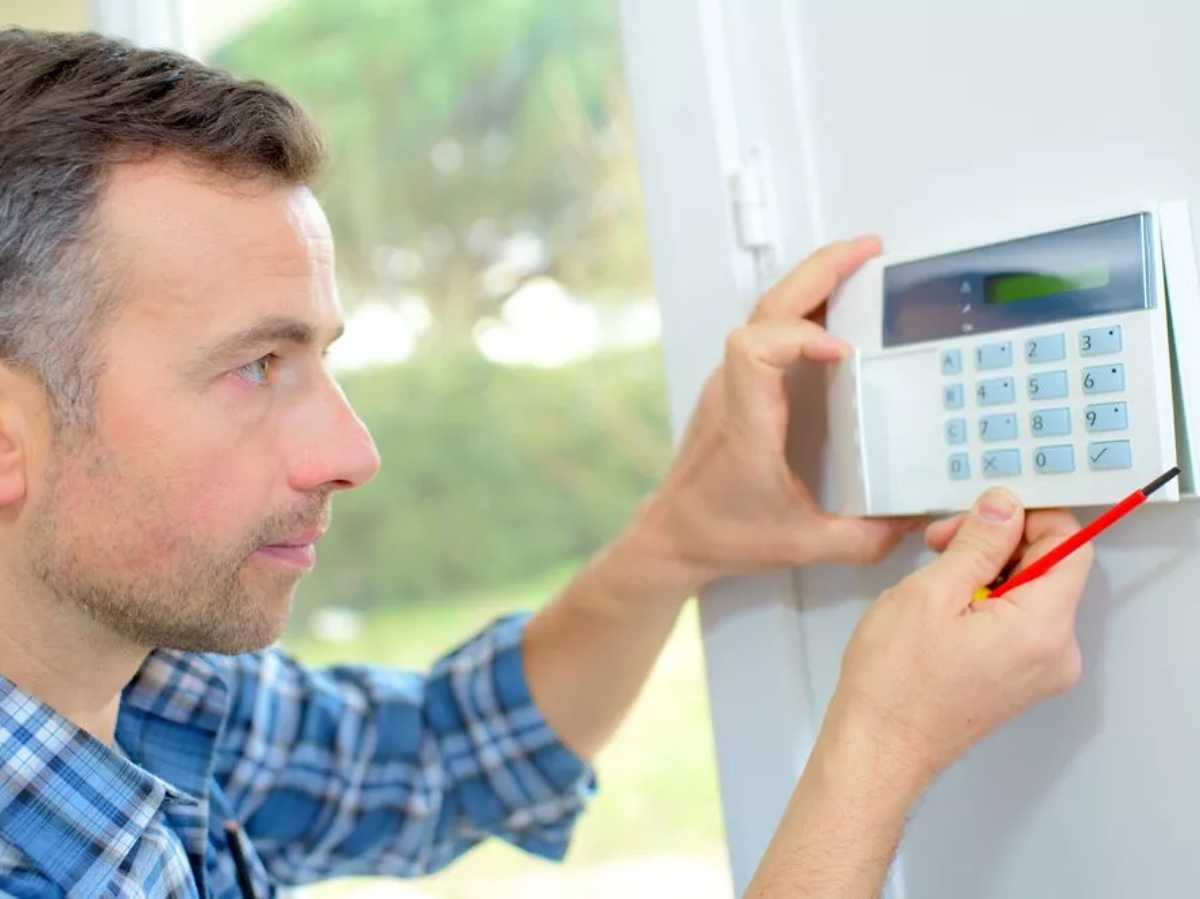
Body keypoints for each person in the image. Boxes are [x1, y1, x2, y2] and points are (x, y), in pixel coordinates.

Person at [0, 27, 1094, 898]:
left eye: (319, 356)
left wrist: (681, 535)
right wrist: (878, 751)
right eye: (255, 366)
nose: (353, 451)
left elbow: (435, 758)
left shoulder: (151, 689)